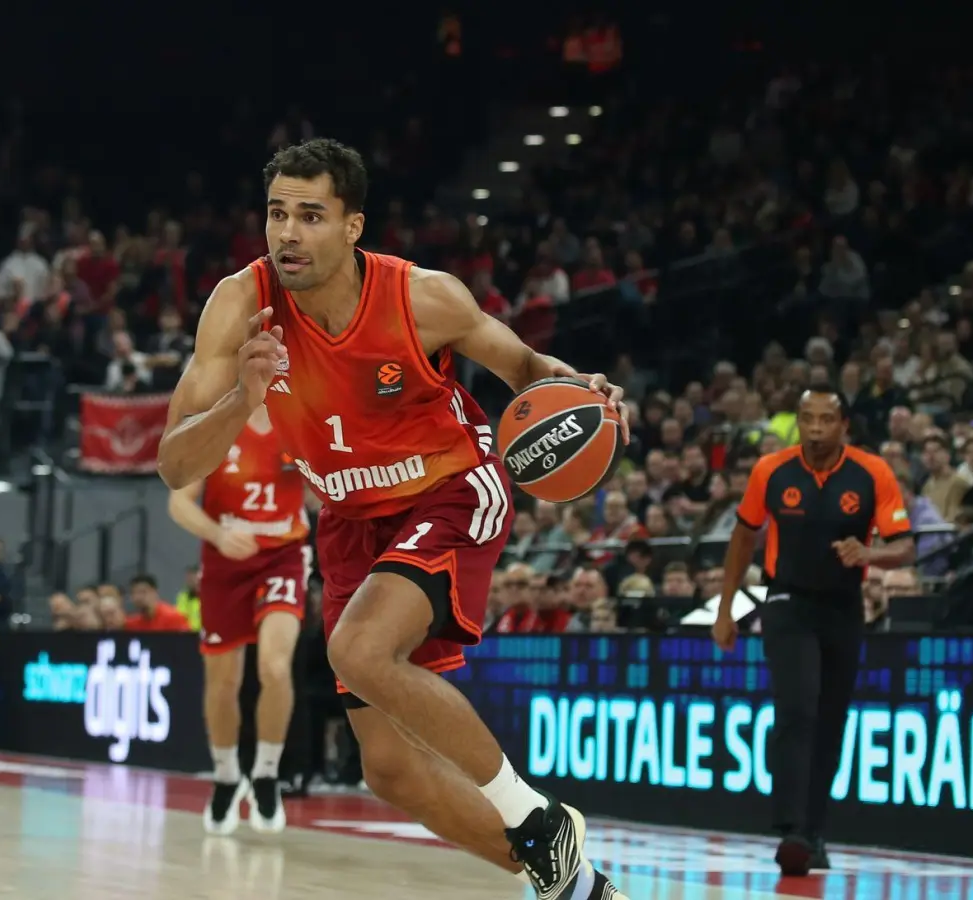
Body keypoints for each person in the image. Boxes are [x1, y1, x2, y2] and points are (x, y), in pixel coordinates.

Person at [157, 138, 628, 900]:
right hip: (349, 520)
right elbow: (176, 465)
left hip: (451, 487)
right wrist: (242, 399)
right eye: (278, 213)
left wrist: (585, 392)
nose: (288, 233)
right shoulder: (240, 306)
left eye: (311, 215)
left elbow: (527, 370)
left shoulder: (422, 298)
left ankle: (538, 819)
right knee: (390, 768)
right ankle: (568, 879)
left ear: (352, 227)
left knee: (358, 649)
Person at [711, 385, 914, 877]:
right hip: (786, 602)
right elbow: (743, 537)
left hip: (844, 607)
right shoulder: (770, 471)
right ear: (798, 423)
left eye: (826, 420)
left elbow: (904, 546)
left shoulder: (872, 473)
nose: (816, 430)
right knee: (797, 708)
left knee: (830, 721)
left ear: (845, 425)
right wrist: (725, 607)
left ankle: (814, 832)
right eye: (807, 420)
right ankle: (791, 830)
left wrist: (870, 554)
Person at [168, 404, 311, 836]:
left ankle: (266, 772)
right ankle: (228, 774)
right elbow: (178, 503)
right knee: (224, 680)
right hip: (225, 558)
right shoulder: (218, 424)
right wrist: (216, 533)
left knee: (273, 665)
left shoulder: (301, 420)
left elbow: (331, 491)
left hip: (283, 554)